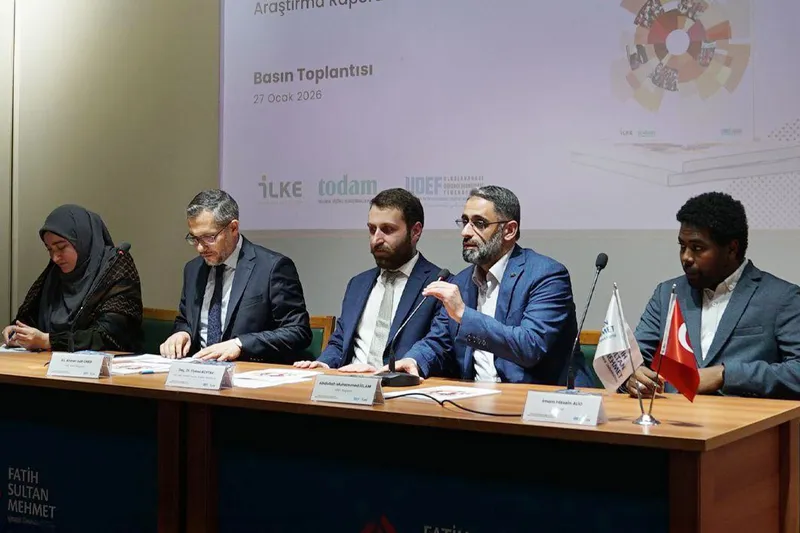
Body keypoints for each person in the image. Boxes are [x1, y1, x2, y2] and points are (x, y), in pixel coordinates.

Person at [391, 185, 589, 385]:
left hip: (540, 396)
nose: (465, 232)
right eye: (465, 222)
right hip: (476, 395)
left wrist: (464, 314)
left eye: (479, 223)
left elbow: (531, 346)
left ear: (509, 230)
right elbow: (439, 342)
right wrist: (414, 360)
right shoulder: (461, 281)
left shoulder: (546, 275)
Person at [629, 192, 800, 399]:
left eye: (697, 248)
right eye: (682, 246)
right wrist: (631, 375)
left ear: (732, 249)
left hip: (743, 417)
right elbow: (632, 359)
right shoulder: (667, 294)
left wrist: (725, 375)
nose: (686, 257)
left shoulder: (781, 298)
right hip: (671, 415)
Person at [294, 188, 444, 372]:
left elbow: (438, 345)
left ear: (415, 232)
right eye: (372, 230)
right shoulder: (358, 284)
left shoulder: (439, 285)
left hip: (400, 383)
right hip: (351, 381)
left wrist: (401, 367)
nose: (376, 239)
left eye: (387, 230)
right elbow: (340, 342)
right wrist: (324, 364)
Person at [160, 189, 311, 362]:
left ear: (233, 228)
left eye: (209, 237)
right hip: (198, 370)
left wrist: (240, 344)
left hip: (248, 371)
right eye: (194, 238)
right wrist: (182, 333)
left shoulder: (272, 268)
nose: (200, 247)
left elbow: (297, 331)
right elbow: (185, 320)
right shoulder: (193, 269)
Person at [1, 204, 143, 352]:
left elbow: (109, 336)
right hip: (47, 363)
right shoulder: (54, 274)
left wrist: (48, 341)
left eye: (61, 247)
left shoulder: (115, 268)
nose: (55, 258)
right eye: (50, 249)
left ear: (82, 240)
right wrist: (17, 331)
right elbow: (30, 317)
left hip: (109, 364)